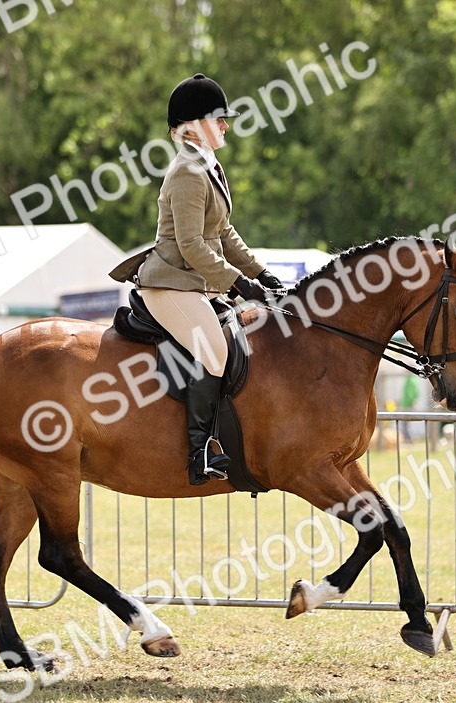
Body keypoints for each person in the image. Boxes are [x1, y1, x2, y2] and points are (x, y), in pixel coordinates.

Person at [113, 73, 282, 485]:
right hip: (169, 285)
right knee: (214, 350)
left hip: (194, 284)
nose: (226, 125)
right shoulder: (187, 172)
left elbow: (223, 233)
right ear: (194, 124)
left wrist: (262, 273)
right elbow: (191, 245)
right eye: (218, 119)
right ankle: (200, 451)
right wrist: (238, 283)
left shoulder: (207, 165)